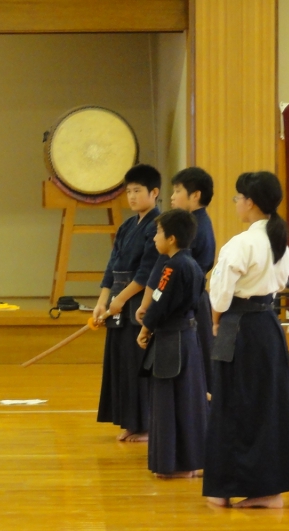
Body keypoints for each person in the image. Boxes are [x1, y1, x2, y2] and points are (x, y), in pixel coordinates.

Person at [203, 171, 289, 509]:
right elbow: (281, 282)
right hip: (267, 326)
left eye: (238, 197)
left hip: (239, 327)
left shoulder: (242, 243)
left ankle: (232, 487)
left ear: (250, 202)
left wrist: (215, 321)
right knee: (266, 405)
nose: (236, 203)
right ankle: (267, 489)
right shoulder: (277, 241)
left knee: (232, 402)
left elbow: (220, 295)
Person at [136, 210, 208, 479]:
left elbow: (159, 302)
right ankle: (191, 461)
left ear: (172, 238)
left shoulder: (171, 267)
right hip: (187, 338)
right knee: (188, 400)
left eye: (158, 233)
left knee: (168, 402)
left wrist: (146, 326)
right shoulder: (194, 265)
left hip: (170, 340)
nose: (155, 238)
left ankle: (175, 465)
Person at [93, 164, 162, 442]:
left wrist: (120, 299)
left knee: (137, 363)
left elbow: (147, 272)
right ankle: (131, 422)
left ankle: (146, 424)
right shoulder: (126, 226)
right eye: (129, 191)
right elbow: (112, 266)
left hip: (137, 303)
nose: (131, 196)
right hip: (118, 303)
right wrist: (102, 302)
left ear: (154, 192)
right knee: (120, 363)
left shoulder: (158, 226)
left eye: (137, 191)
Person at [138, 167, 217, 393]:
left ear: (195, 195)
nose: (172, 197)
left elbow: (162, 274)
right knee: (198, 365)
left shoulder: (188, 232)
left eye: (178, 191)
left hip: (182, 307)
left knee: (188, 372)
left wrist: (147, 306)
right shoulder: (198, 224)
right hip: (193, 303)